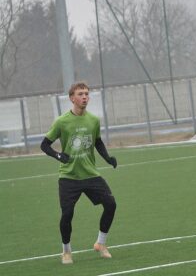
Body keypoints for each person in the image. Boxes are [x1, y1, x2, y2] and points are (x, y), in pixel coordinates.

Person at [40, 81, 118, 265]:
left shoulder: (93, 120)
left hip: (91, 175)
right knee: (67, 214)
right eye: (80, 94)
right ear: (72, 98)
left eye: (86, 94)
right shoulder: (61, 121)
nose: (84, 97)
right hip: (69, 177)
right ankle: (66, 251)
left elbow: (97, 141)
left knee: (111, 204)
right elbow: (44, 145)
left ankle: (101, 243)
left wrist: (107, 158)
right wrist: (59, 155)